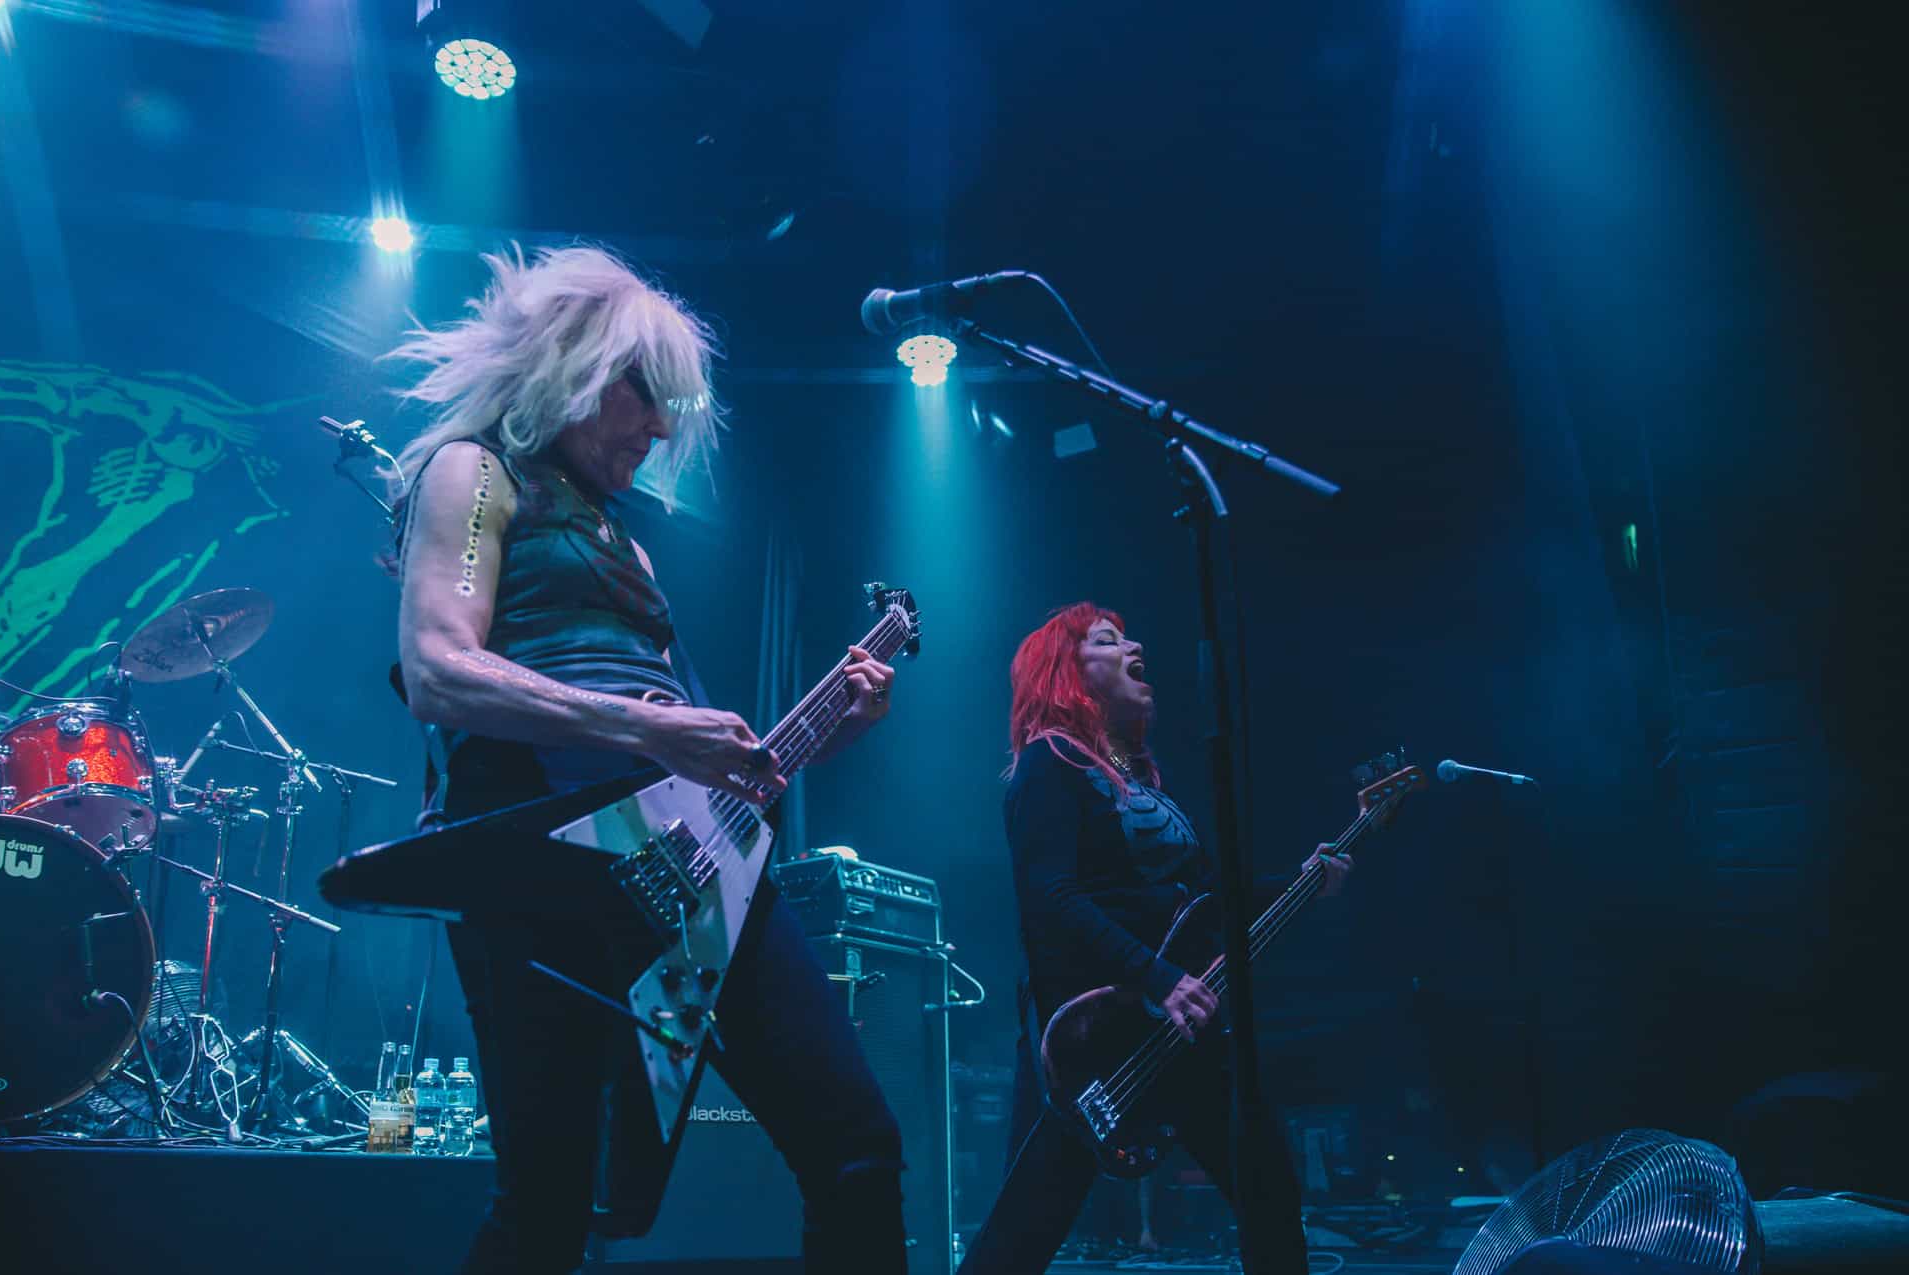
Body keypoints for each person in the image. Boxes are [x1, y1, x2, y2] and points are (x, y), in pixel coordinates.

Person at [387, 244, 907, 1273]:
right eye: (649, 397)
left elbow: (702, 756)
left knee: (858, 1148)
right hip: (537, 867)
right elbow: (439, 669)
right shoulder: (475, 472)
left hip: (686, 874)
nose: (662, 430)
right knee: (546, 1211)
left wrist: (825, 732)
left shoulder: (629, 546)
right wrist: (650, 728)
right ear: (579, 368)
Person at [959, 603, 1353, 1275]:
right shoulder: (1050, 761)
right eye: (1107, 640)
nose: (1134, 645)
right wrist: (1158, 977)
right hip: (1092, 1035)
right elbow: (1051, 897)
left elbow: (1209, 899)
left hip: (1178, 1029)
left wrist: (1302, 880)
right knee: (1022, 1233)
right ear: (1066, 671)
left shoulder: (1140, 779)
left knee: (1268, 1189)